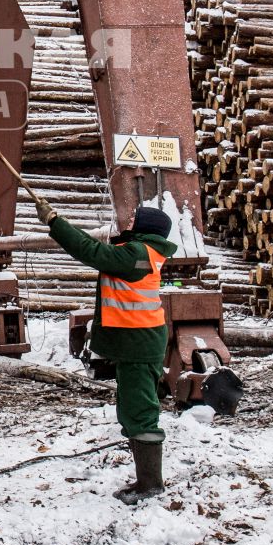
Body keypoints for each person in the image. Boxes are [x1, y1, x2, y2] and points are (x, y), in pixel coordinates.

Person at [34, 199, 177, 504]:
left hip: (140, 345)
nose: (129, 222)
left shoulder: (139, 255)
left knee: (140, 413)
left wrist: (55, 224)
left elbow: (94, 253)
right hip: (137, 344)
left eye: (136, 219)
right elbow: (99, 251)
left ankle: (150, 484)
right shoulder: (139, 252)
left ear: (147, 228)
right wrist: (59, 219)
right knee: (131, 410)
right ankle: (146, 480)